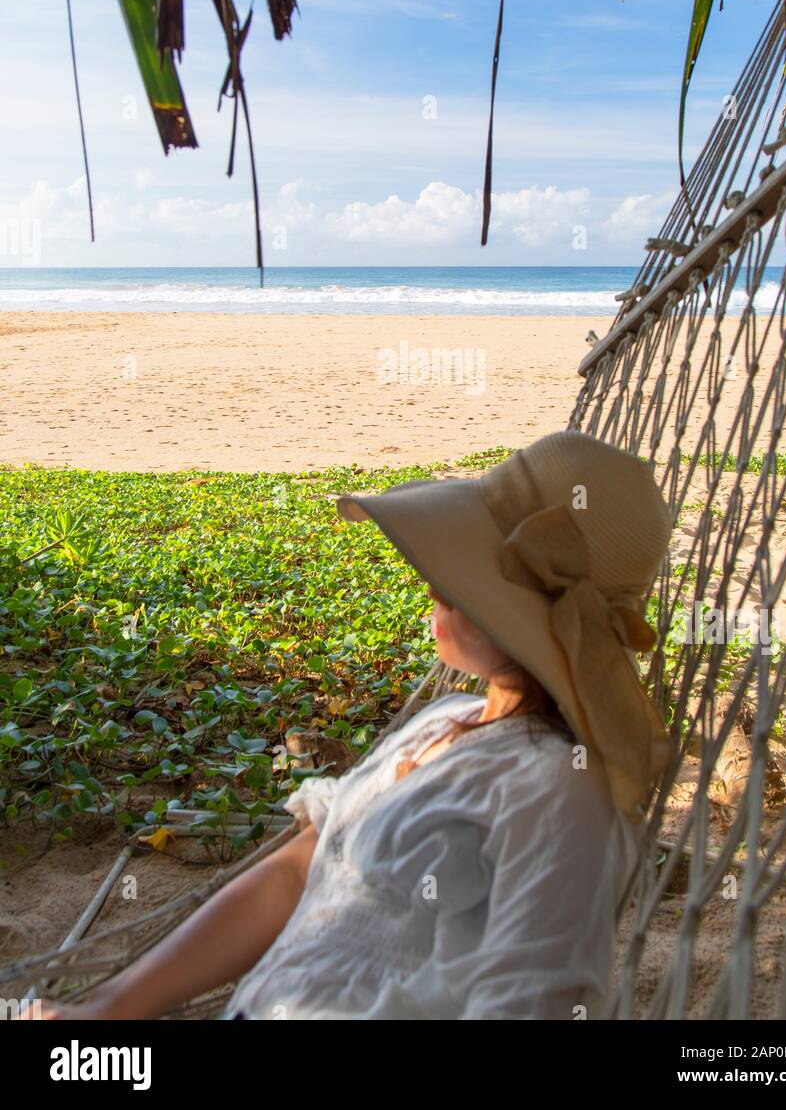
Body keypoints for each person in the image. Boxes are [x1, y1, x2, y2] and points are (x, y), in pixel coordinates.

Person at [34, 431, 673, 1021]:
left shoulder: (561, 793)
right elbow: (296, 874)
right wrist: (108, 1008)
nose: (435, 582)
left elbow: (528, 1001)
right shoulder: (446, 722)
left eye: (462, 572)